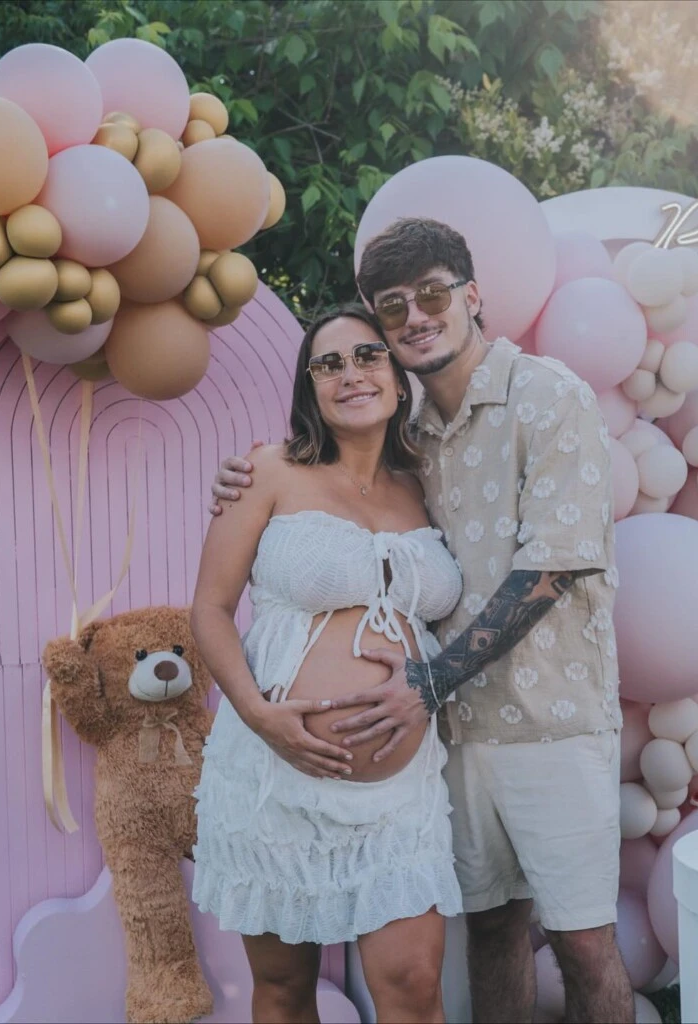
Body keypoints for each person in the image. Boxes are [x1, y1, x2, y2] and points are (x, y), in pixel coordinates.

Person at [212, 218, 634, 1024]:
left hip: (546, 722)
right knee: (492, 935)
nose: (415, 316)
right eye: (392, 306)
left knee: (582, 944)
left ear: (472, 296)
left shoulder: (549, 397)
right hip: (447, 744)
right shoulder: (412, 439)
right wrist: (247, 475)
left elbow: (548, 567)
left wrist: (426, 683)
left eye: (433, 294)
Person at [191, 303, 464, 1024]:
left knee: (413, 985)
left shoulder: (431, 485)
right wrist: (260, 716)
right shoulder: (266, 471)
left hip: (402, 791)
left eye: (368, 356)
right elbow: (210, 610)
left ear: (400, 378)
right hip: (276, 775)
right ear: (309, 388)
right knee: (283, 989)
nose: (351, 374)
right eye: (329, 364)